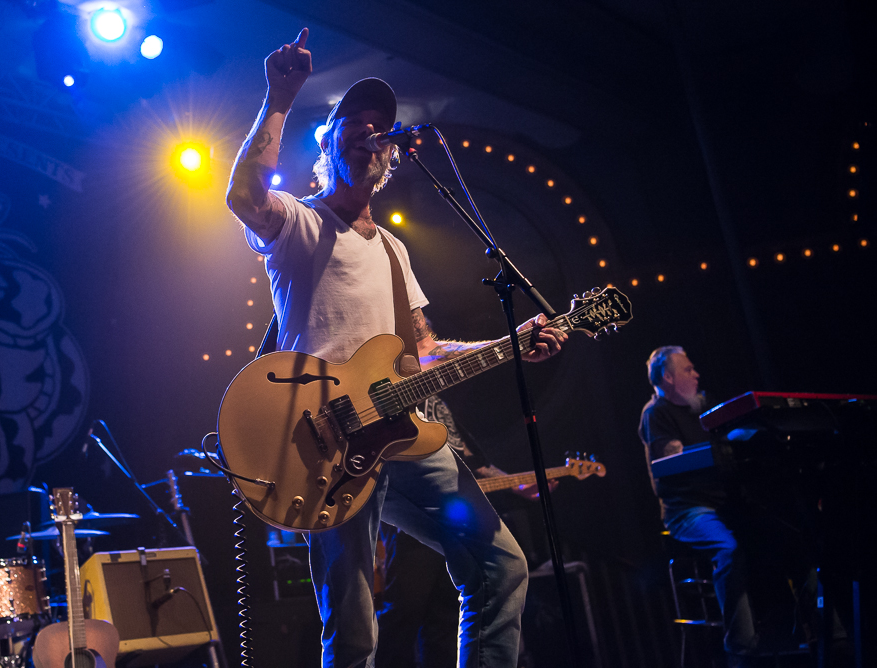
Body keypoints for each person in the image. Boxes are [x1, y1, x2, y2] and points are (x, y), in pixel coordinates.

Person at [226, 28, 568, 668]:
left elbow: (425, 352)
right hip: (323, 439)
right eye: (352, 123)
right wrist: (280, 96)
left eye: (380, 129)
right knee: (353, 627)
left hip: (402, 433)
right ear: (329, 142)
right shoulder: (301, 222)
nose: (368, 133)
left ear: (391, 158)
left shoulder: (393, 251)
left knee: (501, 566)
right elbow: (244, 196)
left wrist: (511, 343)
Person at [376, 395, 553, 668]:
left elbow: (474, 461)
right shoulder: (397, 379)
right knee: (404, 610)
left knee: (445, 616)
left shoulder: (438, 400)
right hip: (412, 519)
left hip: (453, 515)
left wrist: (519, 485)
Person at [638, 347, 755, 661]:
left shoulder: (704, 405)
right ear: (668, 377)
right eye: (688, 369)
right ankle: (741, 651)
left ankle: (821, 636)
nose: (696, 374)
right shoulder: (656, 413)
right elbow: (673, 464)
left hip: (725, 503)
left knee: (788, 535)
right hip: (686, 510)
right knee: (728, 549)